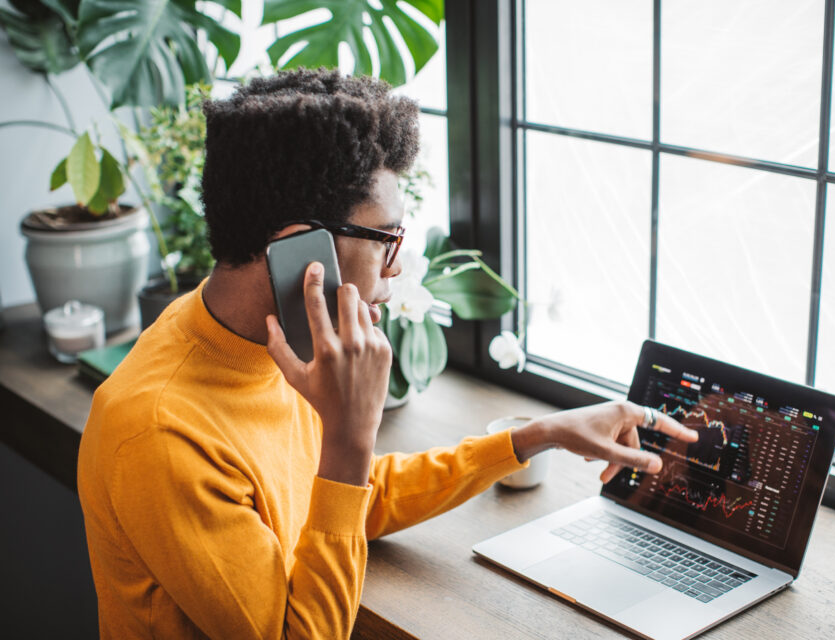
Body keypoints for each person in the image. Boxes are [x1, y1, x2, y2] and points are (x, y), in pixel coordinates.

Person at [77, 68, 697, 639]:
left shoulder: (261, 337)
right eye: (386, 239)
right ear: (301, 250)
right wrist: (349, 435)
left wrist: (537, 435)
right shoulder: (160, 434)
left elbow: (348, 497)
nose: (399, 264)